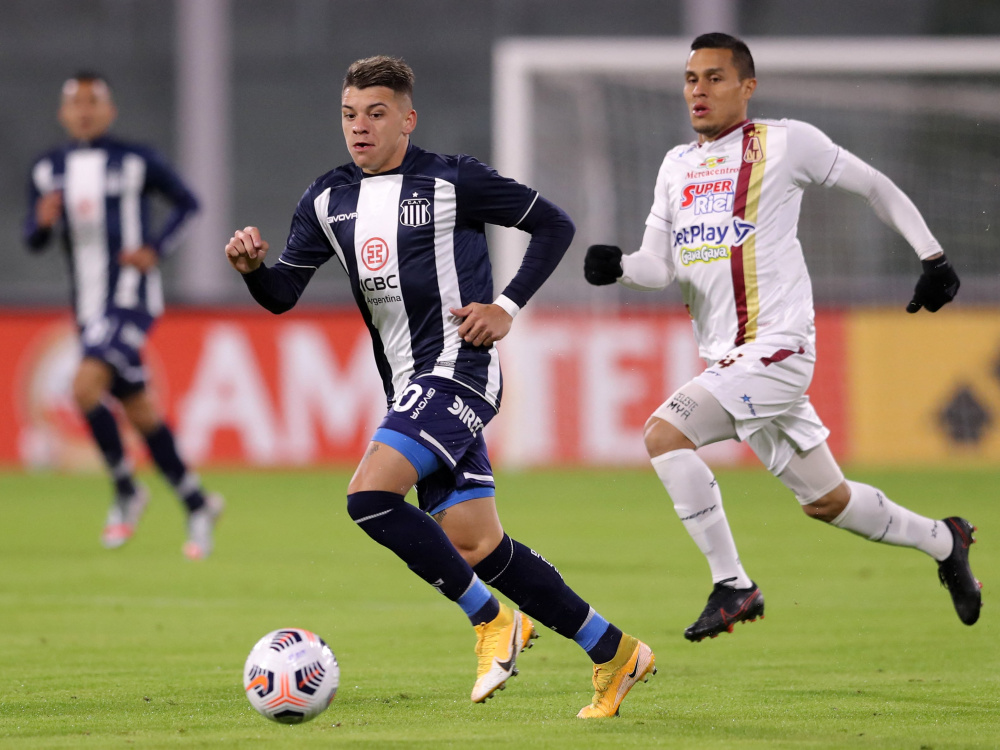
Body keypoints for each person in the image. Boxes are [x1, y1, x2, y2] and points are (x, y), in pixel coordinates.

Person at [225, 55, 654, 717]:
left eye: (376, 114)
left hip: (460, 367)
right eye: (349, 114)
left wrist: (505, 307)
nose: (360, 127)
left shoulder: (453, 179)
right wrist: (254, 270)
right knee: (477, 545)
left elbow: (554, 225)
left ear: (407, 119)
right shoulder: (326, 199)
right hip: (409, 385)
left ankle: (491, 621)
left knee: (370, 496)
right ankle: (615, 651)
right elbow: (283, 293)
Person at [583, 33, 980, 642]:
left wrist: (934, 257)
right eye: (691, 78)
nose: (698, 90)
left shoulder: (787, 143)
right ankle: (943, 540)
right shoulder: (676, 164)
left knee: (665, 433)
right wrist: (620, 268)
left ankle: (733, 584)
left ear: (748, 86)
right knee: (826, 501)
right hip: (729, 359)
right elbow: (658, 266)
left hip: (778, 346)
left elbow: (874, 184)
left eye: (715, 77)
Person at [24, 72, 223, 559]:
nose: (85, 110)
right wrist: (40, 223)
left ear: (109, 110)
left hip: (131, 297)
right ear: (63, 113)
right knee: (140, 410)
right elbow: (33, 238)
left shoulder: (136, 160)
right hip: (88, 308)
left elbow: (188, 203)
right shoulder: (48, 170)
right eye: (76, 102)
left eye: (93, 101)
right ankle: (198, 503)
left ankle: (127, 489)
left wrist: (156, 248)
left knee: (83, 387)